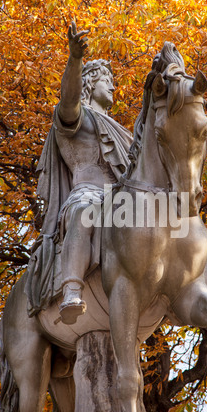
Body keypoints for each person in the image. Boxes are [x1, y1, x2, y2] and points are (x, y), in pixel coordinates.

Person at [25, 22, 132, 324]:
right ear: (88, 83)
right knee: (85, 212)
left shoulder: (122, 131)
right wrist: (75, 59)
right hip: (87, 194)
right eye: (106, 80)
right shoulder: (75, 118)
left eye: (113, 80)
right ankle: (72, 288)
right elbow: (68, 99)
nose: (113, 86)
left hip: (122, 202)